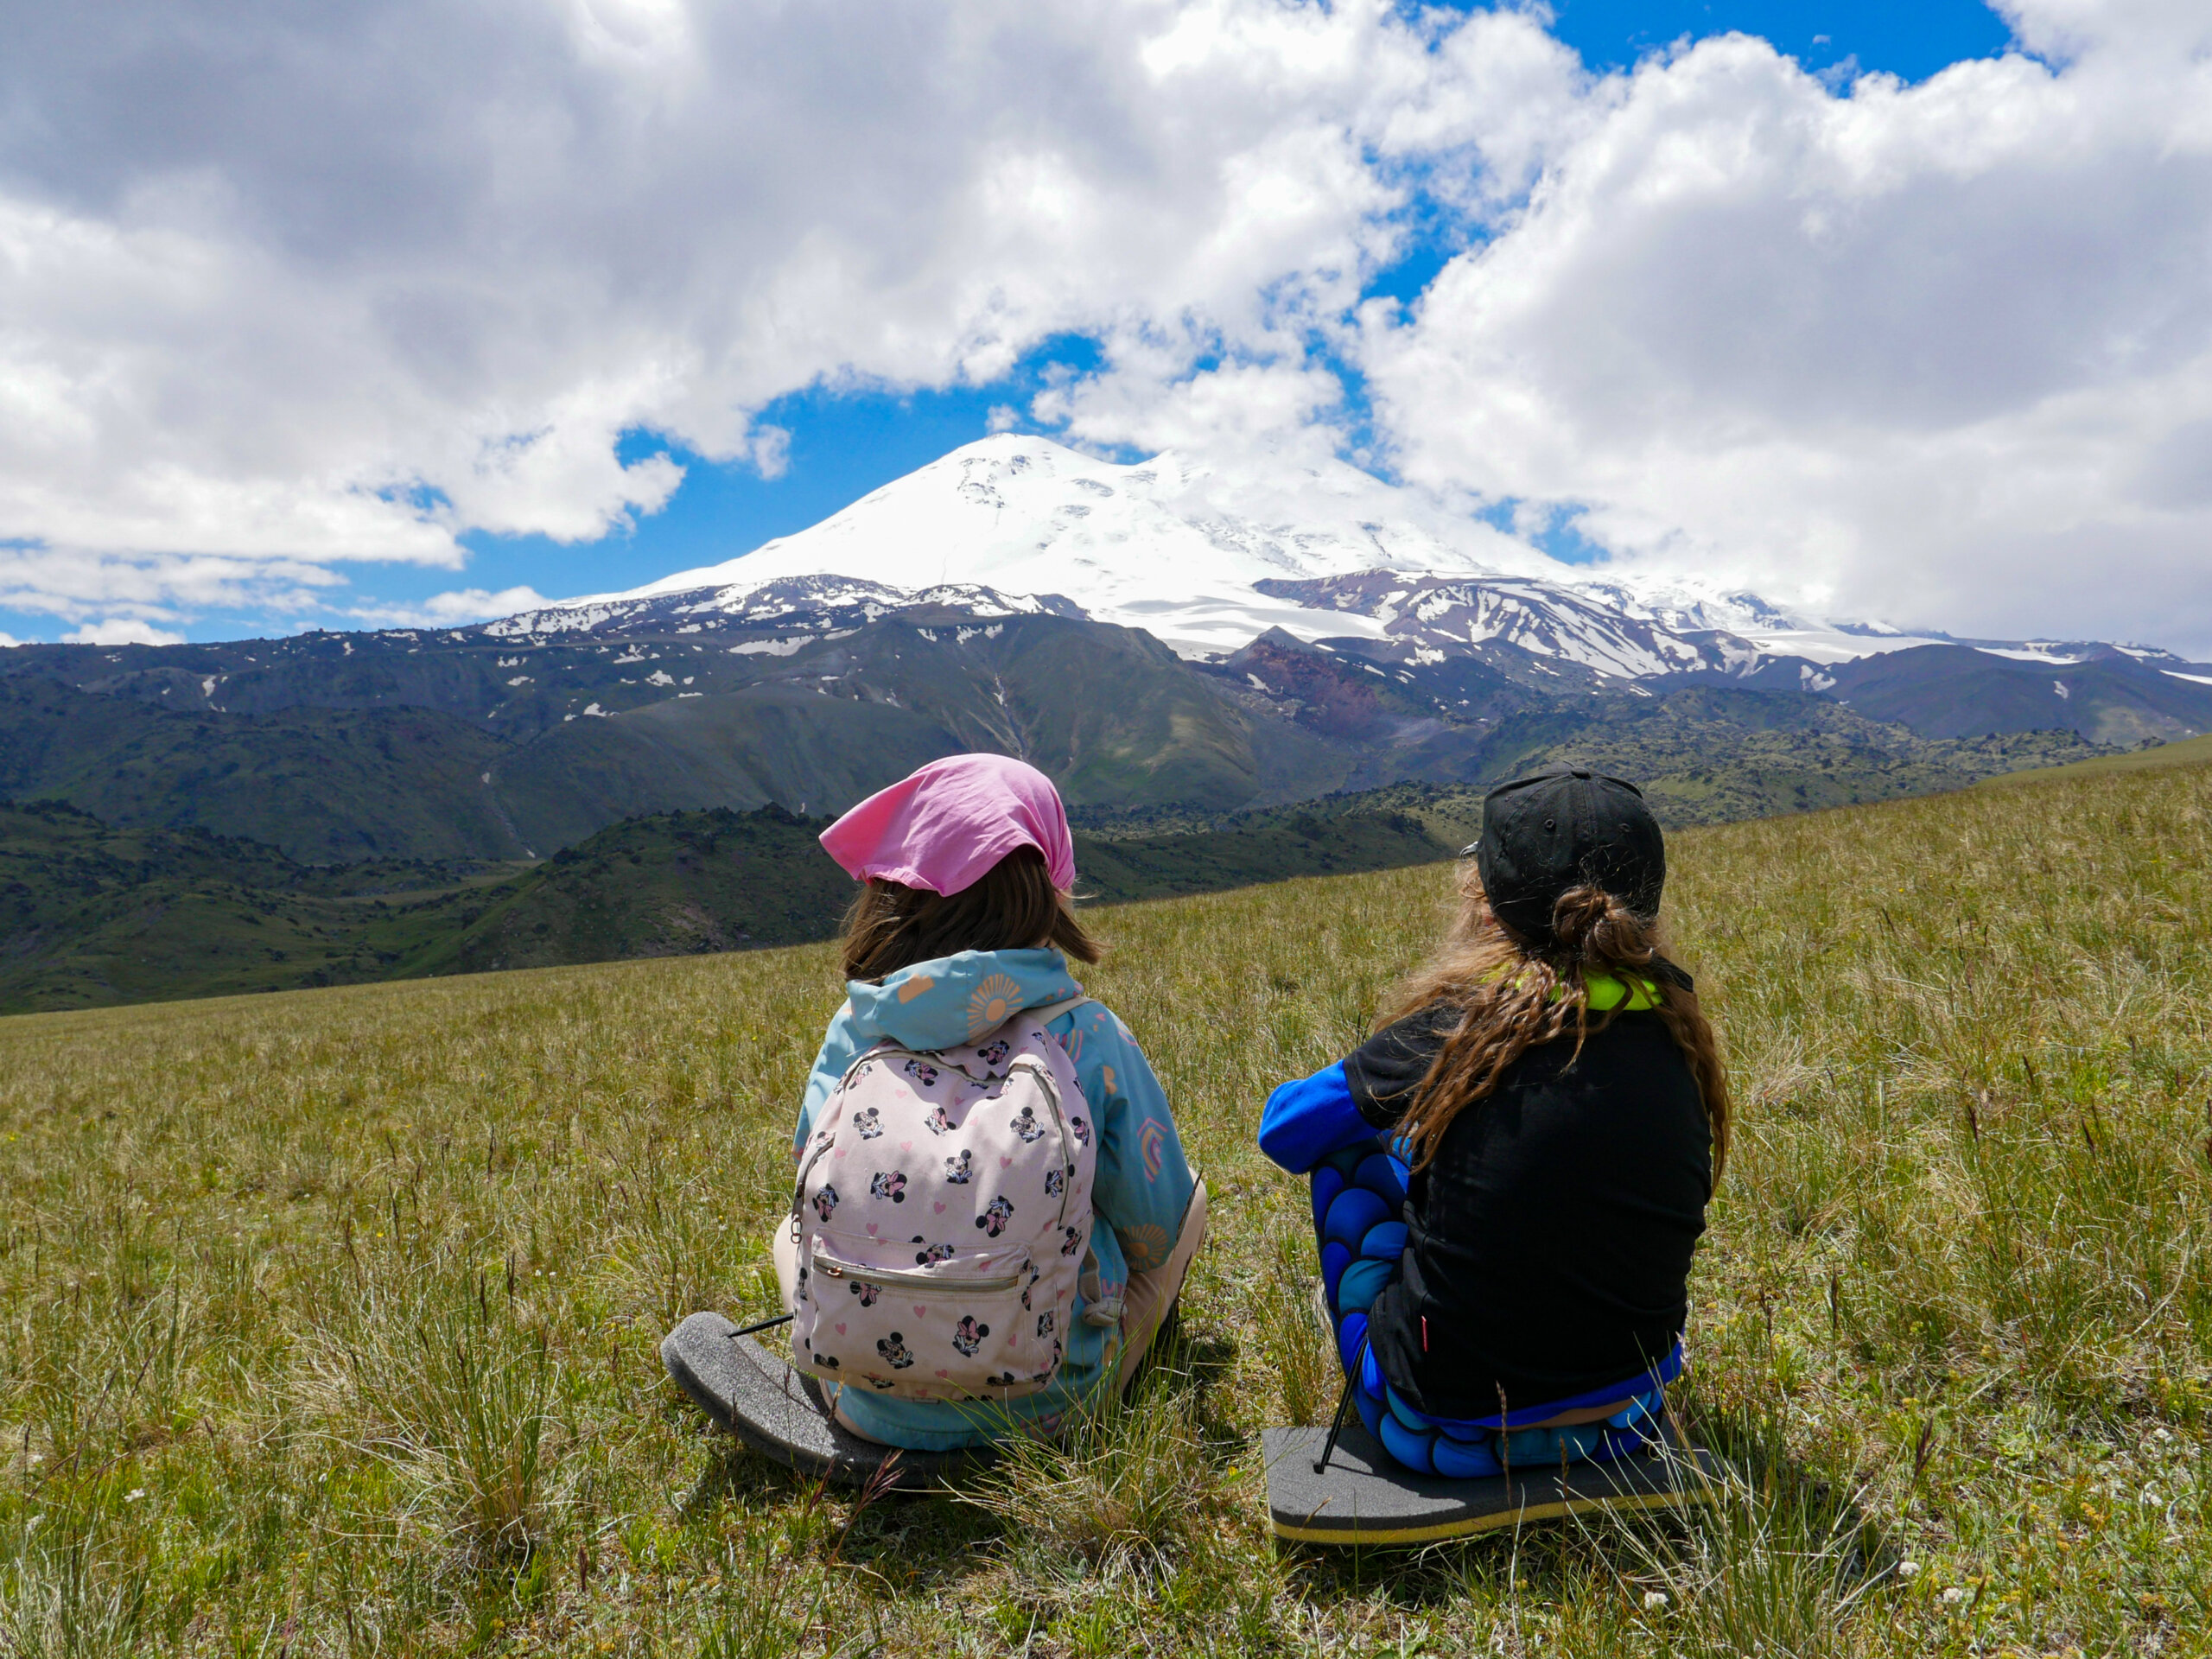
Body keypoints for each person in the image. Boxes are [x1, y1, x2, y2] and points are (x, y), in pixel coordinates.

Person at [1256, 770, 1729, 1478]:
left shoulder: (1456, 1031)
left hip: (1438, 1429)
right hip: (1628, 1417)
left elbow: (1285, 1129)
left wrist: (1392, 1117)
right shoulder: (1678, 1033)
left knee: (1348, 1149)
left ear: (1487, 905)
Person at [778, 753, 1206, 1451]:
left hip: (865, 1407)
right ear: (1045, 885)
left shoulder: (854, 1030)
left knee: (785, 1234)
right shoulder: (1088, 1033)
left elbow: (807, 1180)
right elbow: (1154, 1226)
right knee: (1192, 1203)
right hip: (1048, 1410)